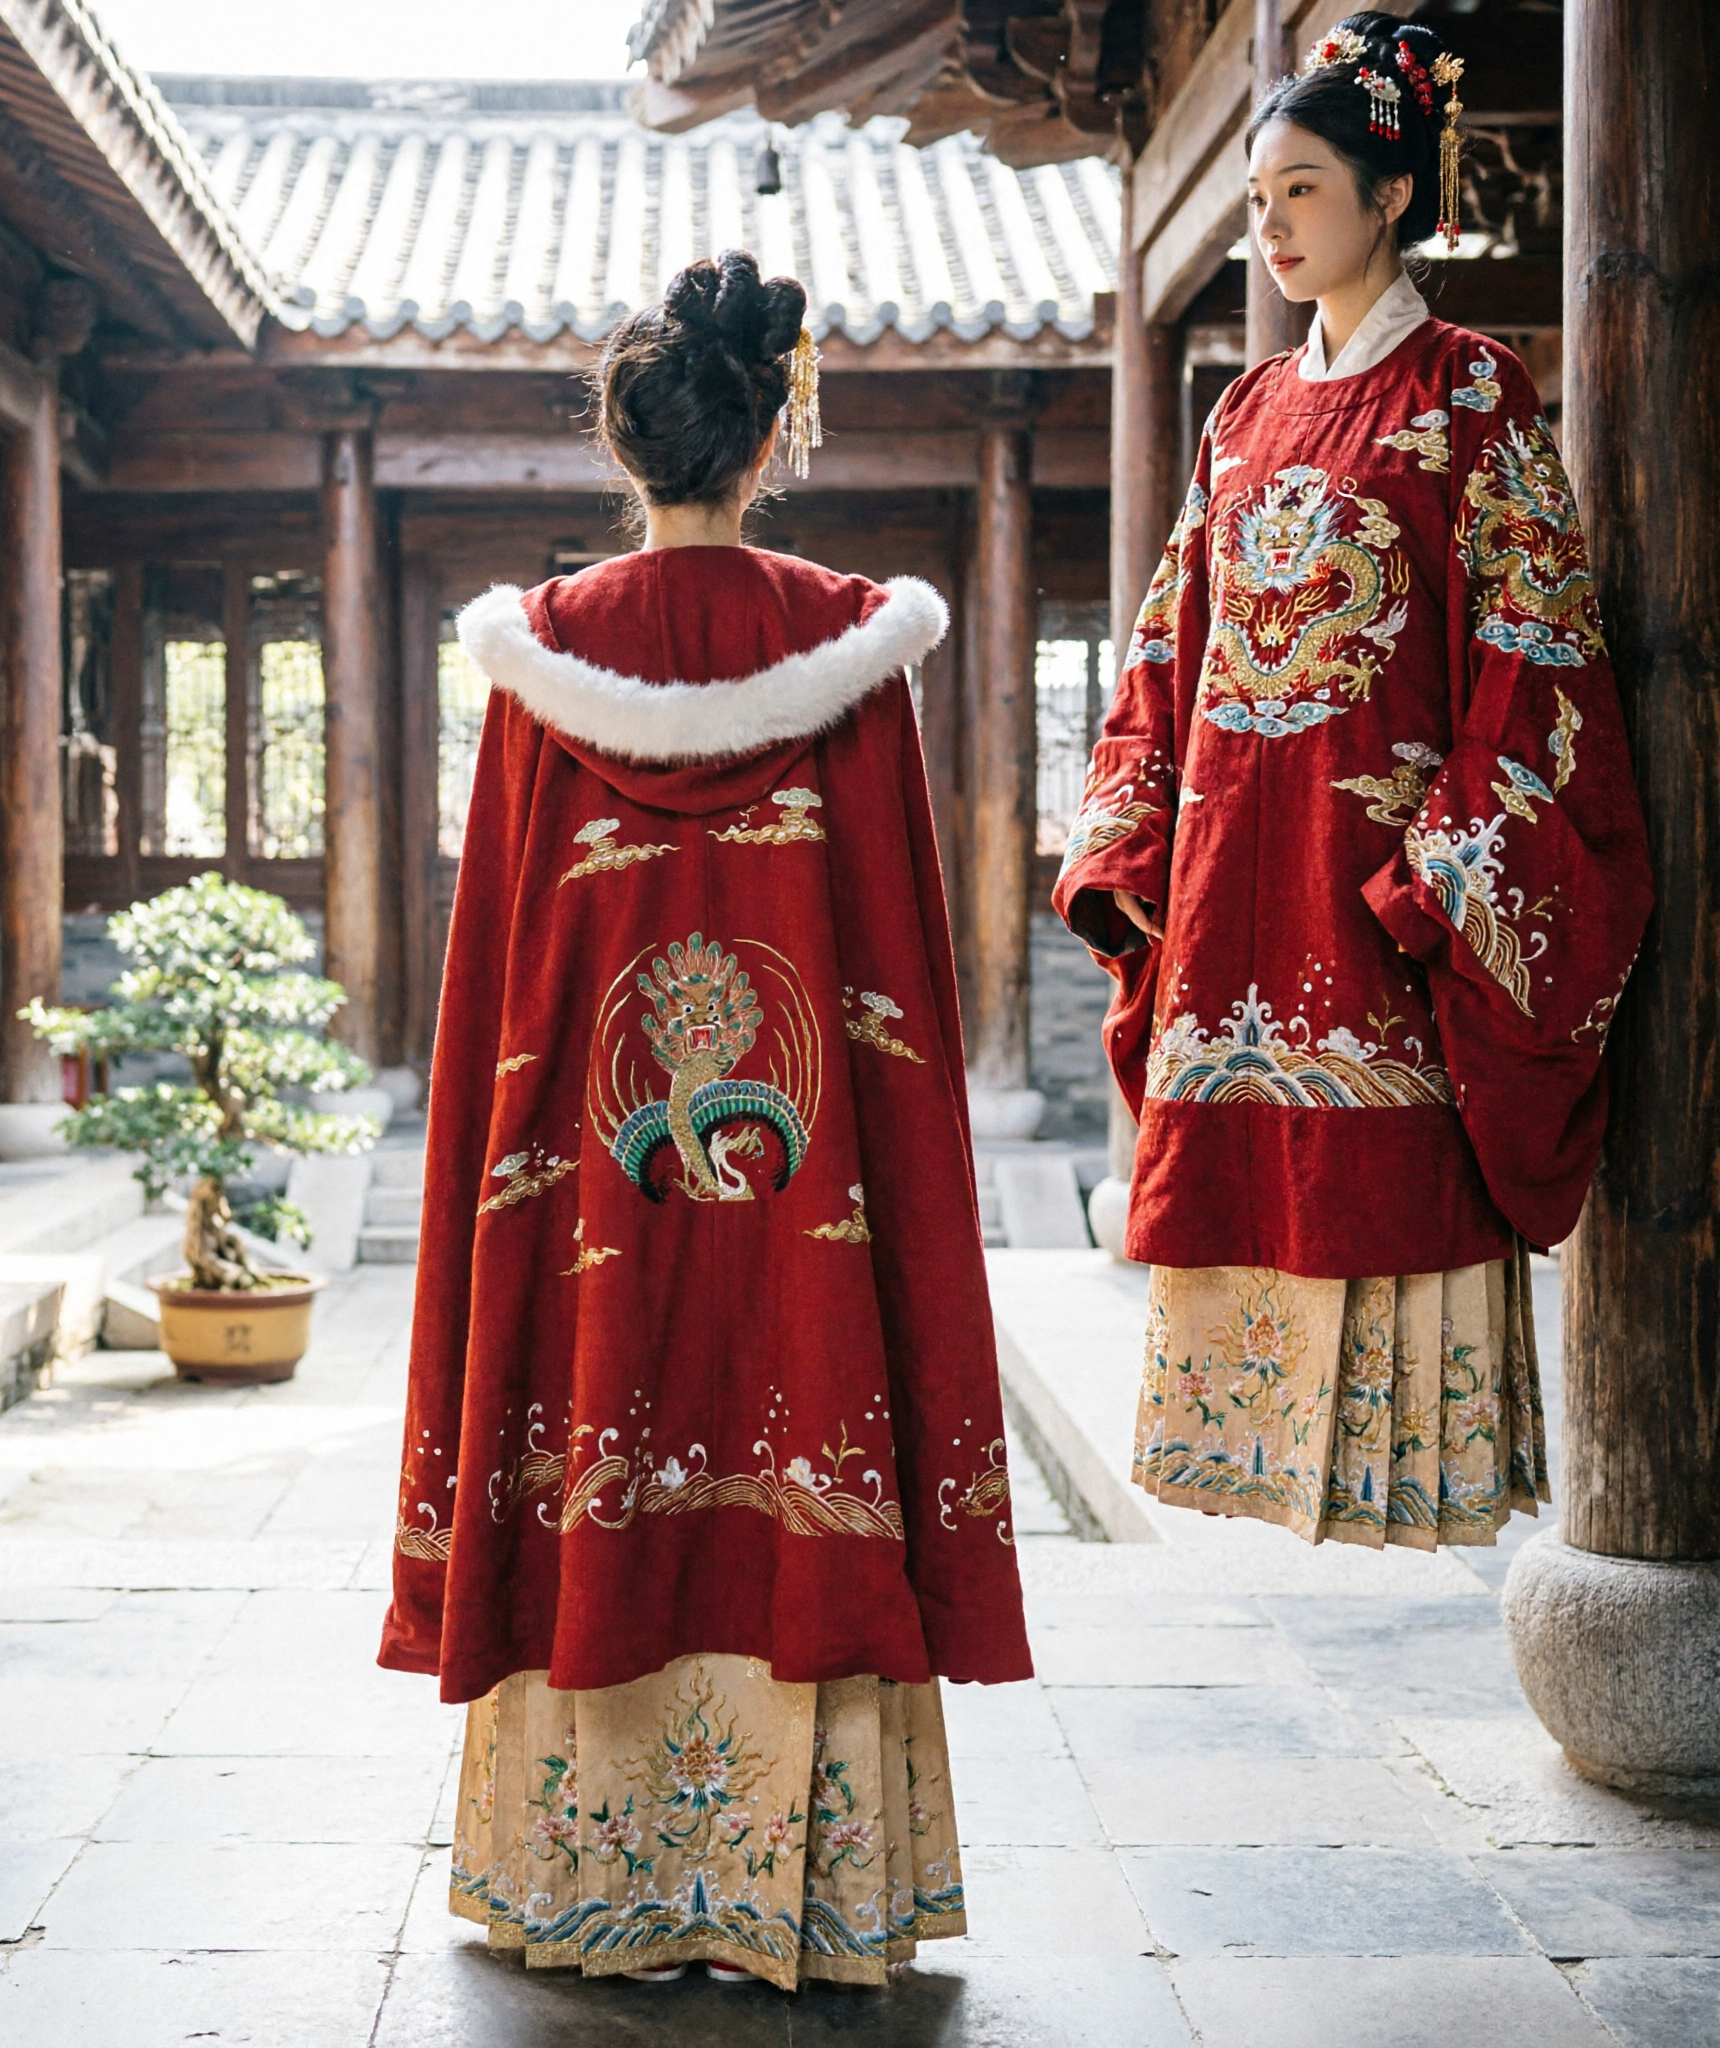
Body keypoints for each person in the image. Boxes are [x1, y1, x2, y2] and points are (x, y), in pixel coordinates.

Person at [379, 250, 1032, 1992]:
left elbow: (510, 996)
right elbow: (894, 972)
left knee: (600, 1408)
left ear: (627, 444)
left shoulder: (541, 667)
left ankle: (581, 1877)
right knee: (803, 1399)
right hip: (808, 1195)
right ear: (771, 436)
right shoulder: (852, 655)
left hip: (591, 1186)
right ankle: (802, 1892)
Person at [1055, 16, 1652, 1550]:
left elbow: (1536, 648)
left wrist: (1438, 878)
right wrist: (1137, 838)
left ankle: (1410, 1468)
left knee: (1392, 1165)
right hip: (1236, 875)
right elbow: (1168, 643)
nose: (1270, 226)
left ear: (1391, 197)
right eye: (1257, 198)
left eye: (1300, 191)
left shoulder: (1472, 393)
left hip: (1384, 891)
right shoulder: (1243, 412)